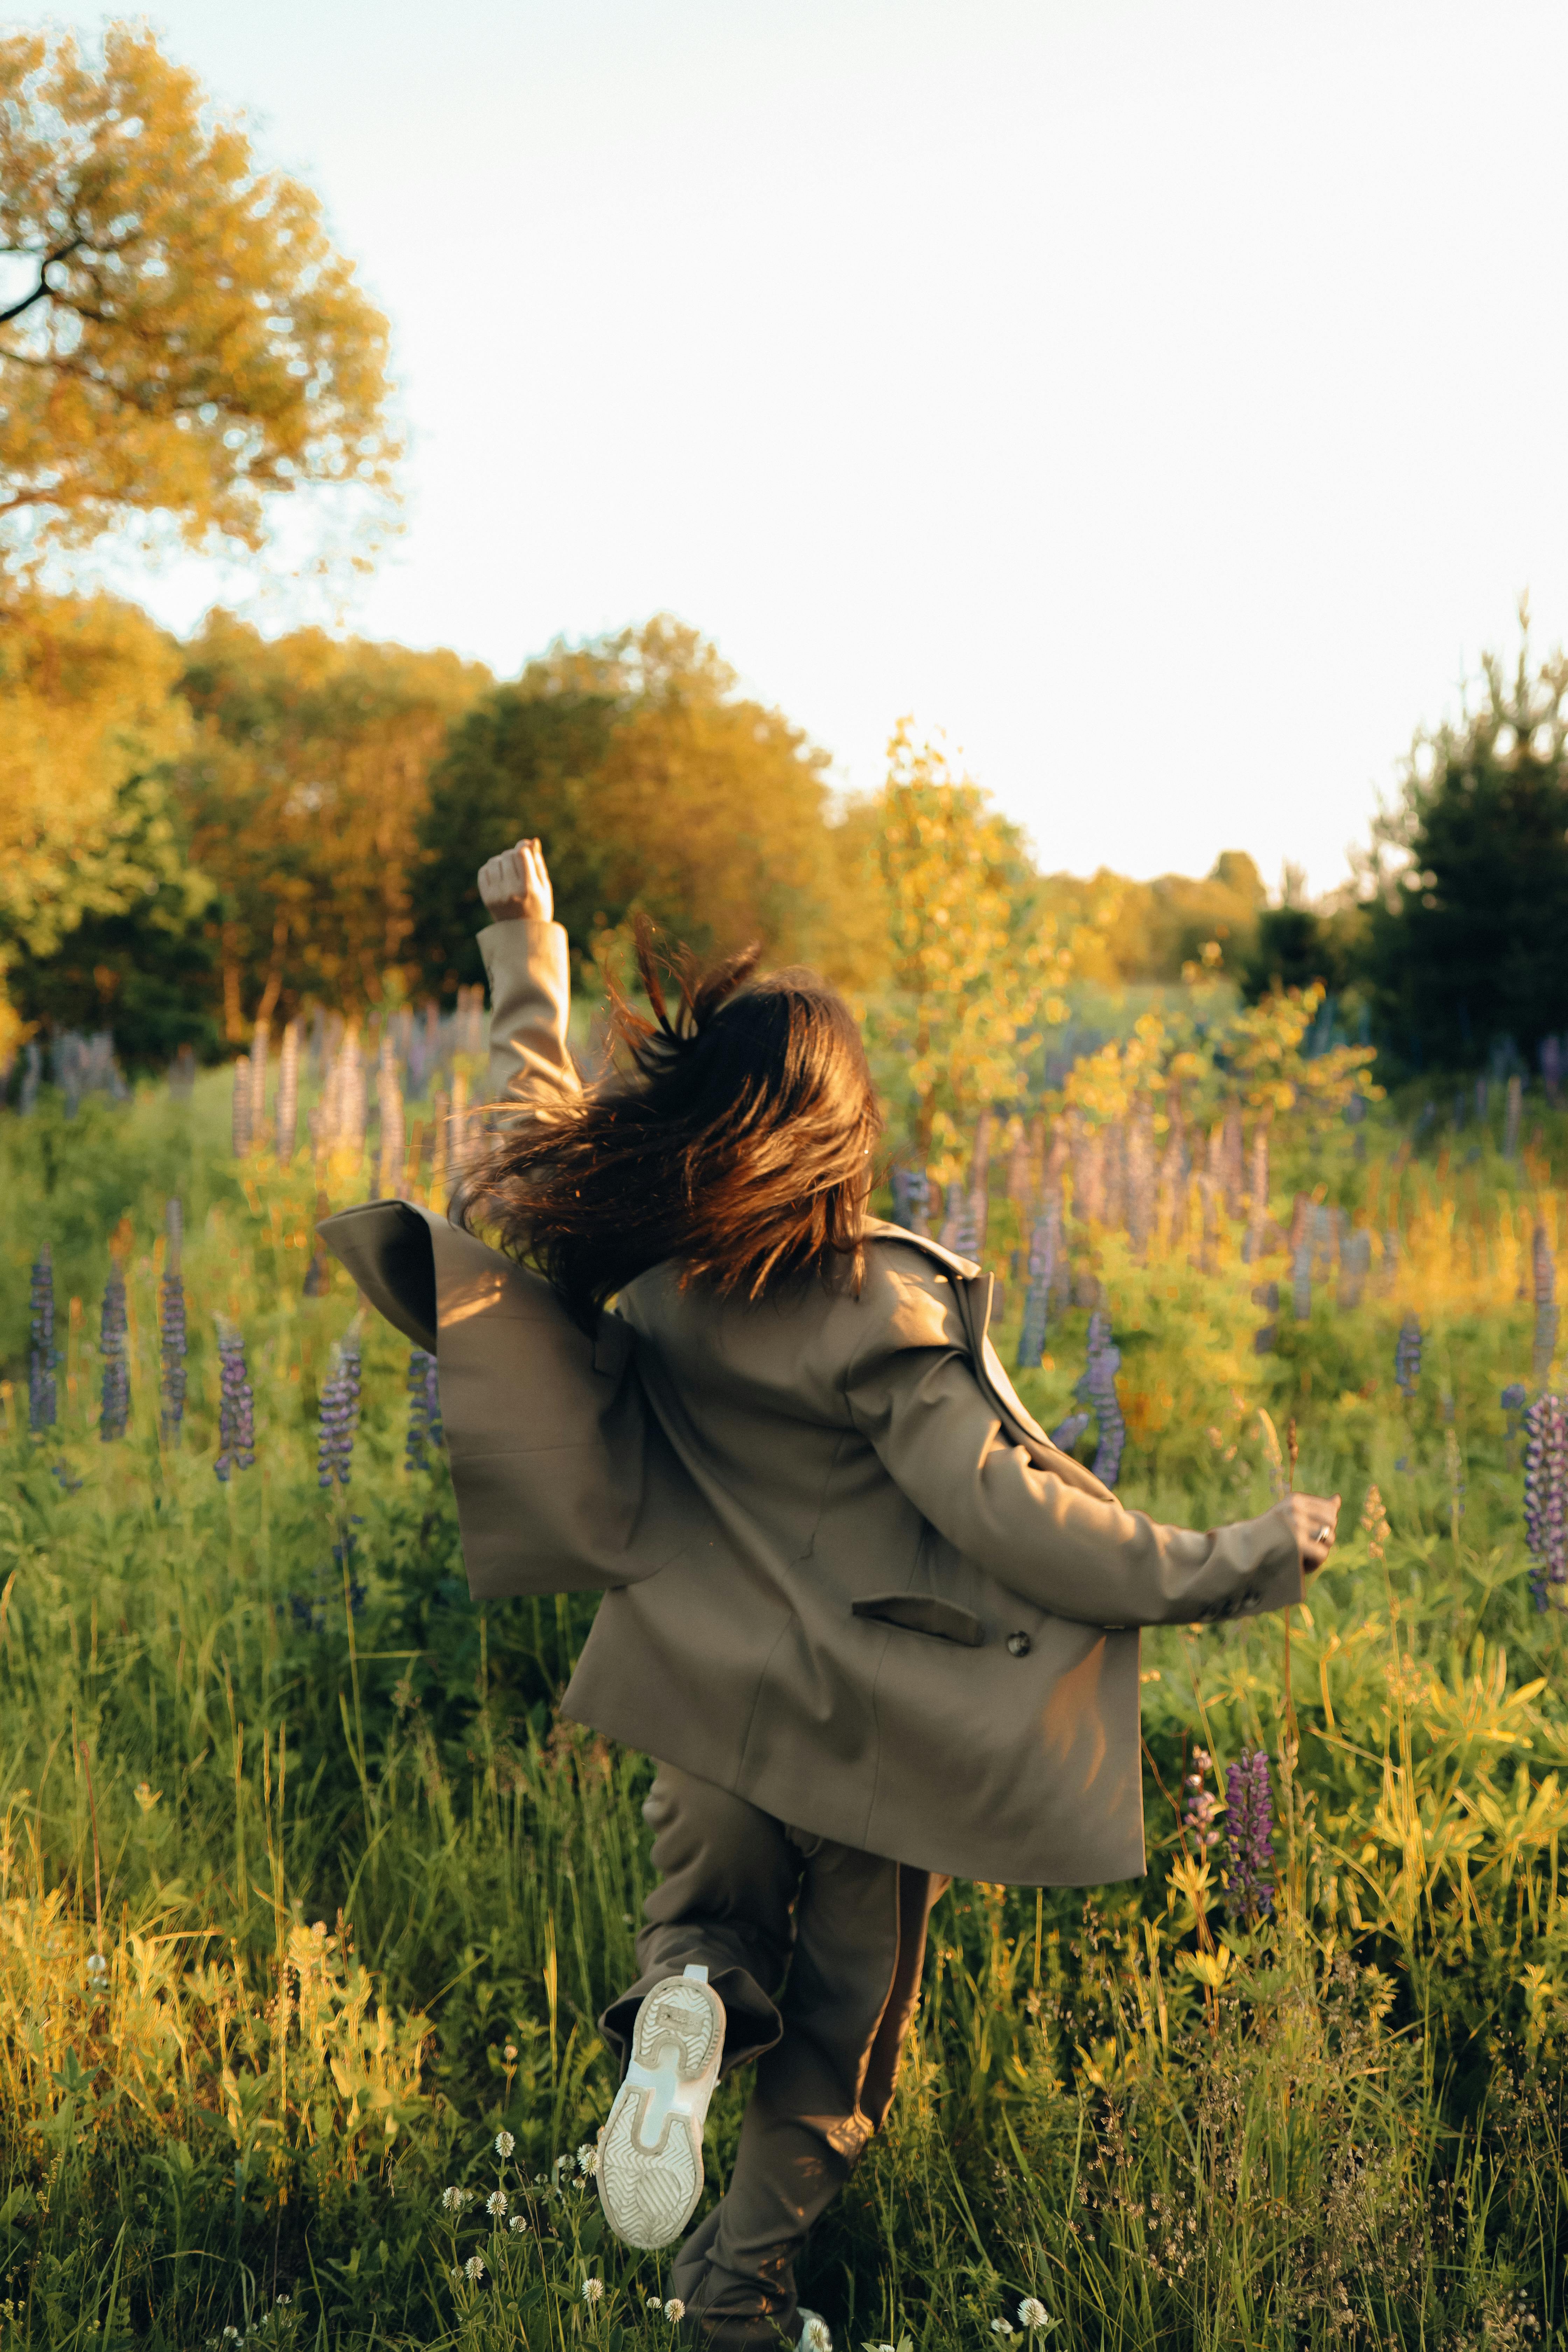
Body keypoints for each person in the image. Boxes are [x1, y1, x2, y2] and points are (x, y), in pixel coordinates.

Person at [320, 836, 1342, 2352]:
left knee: (704, 1935)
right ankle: (737, 2305)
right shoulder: (878, 1313)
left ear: (698, 1122)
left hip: (697, 1711)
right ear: (839, 1136)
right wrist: (1233, 1560)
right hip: (874, 1738)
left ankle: (686, 2002)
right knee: (840, 2042)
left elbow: (533, 1109)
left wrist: (522, 937)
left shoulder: (657, 1261)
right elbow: (1021, 1522)